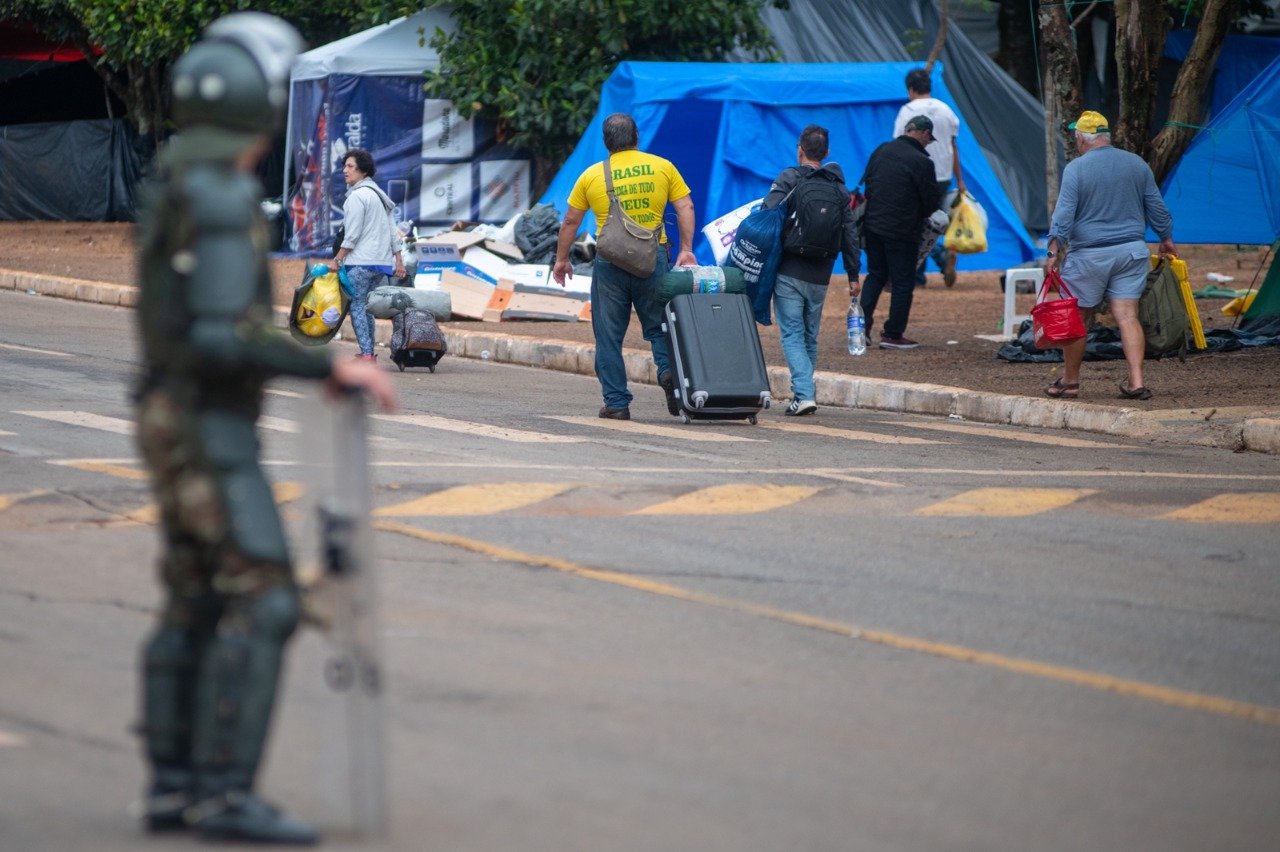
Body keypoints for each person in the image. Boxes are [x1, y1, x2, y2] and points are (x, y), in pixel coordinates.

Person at [132, 13, 397, 844]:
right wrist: (330, 366)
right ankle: (221, 792)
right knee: (270, 596)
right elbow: (220, 334)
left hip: (171, 408)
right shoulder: (216, 191)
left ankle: (175, 785)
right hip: (205, 422)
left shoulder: (176, 175)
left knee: (195, 594)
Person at [552, 112, 697, 420]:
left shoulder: (592, 176)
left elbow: (570, 221)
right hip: (653, 259)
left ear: (606, 143)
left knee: (608, 335)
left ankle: (617, 402)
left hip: (610, 263)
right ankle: (668, 374)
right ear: (636, 138)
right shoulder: (663, 167)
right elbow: (685, 206)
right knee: (660, 326)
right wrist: (686, 249)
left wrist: (562, 259)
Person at [1045, 110, 1176, 401]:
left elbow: (1064, 214)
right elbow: (1156, 207)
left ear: (1081, 138)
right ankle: (1136, 382)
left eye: (1075, 136)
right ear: (1106, 136)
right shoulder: (1136, 164)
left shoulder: (1076, 169)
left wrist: (1053, 250)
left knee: (1078, 318)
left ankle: (1069, 382)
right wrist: (1165, 237)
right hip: (1130, 252)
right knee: (1128, 316)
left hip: (1089, 256)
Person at [761, 124, 862, 416]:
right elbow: (850, 234)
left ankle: (804, 394)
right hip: (822, 273)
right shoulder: (838, 189)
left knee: (792, 334)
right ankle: (803, 393)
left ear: (800, 150)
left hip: (790, 269)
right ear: (827, 152)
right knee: (809, 335)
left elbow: (768, 214)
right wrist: (853, 276)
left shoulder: (789, 178)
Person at [857, 114, 943, 350]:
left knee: (875, 275)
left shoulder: (882, 150)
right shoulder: (922, 162)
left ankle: (861, 330)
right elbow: (930, 203)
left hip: (873, 226)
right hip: (902, 230)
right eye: (929, 139)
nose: (928, 144)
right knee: (903, 282)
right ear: (924, 134)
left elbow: (867, 184)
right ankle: (893, 334)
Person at [893, 68, 966, 289]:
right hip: (942, 175)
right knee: (933, 220)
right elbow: (953, 146)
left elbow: (900, 146)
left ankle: (926, 268)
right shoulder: (946, 110)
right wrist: (960, 179)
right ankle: (929, 265)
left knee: (915, 223)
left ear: (910, 89)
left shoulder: (908, 111)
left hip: (916, 175)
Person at [333, 148, 406, 362]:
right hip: (381, 264)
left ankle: (366, 354)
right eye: (344, 166)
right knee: (367, 308)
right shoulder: (380, 196)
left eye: (350, 166)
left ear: (363, 171)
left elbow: (352, 234)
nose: (345, 170)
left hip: (361, 262)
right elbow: (394, 233)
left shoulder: (357, 197)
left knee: (356, 306)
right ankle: (368, 352)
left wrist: (337, 259)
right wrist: (398, 261)